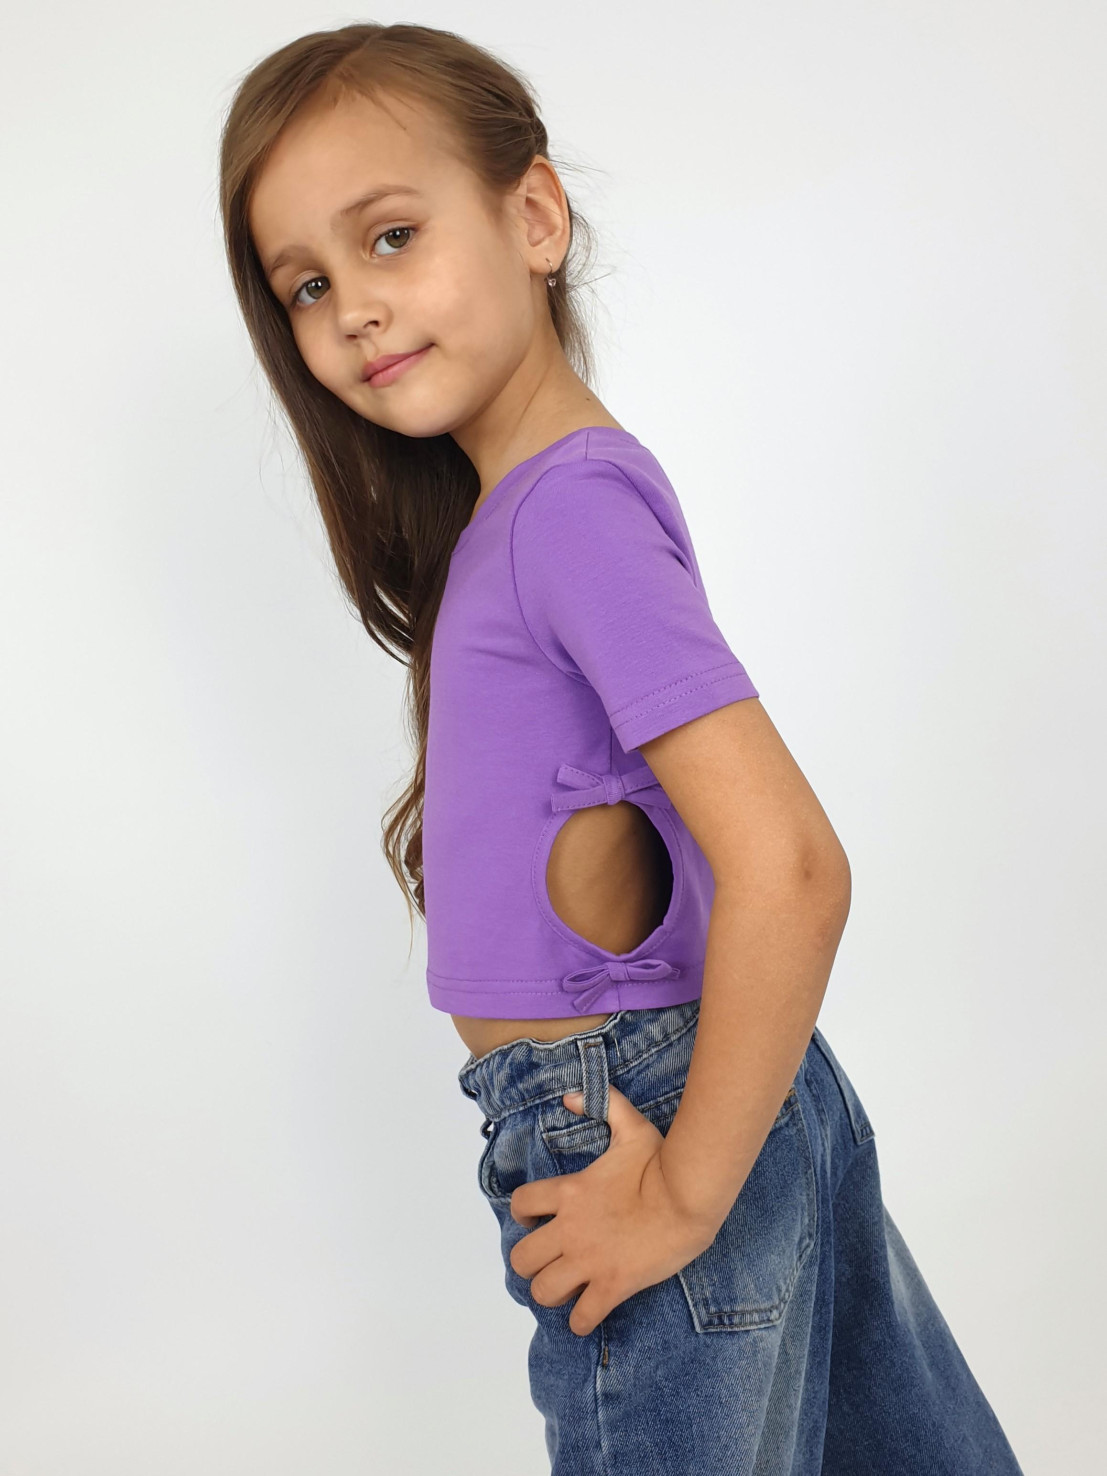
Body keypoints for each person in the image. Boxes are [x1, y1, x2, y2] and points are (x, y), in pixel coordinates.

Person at [218, 21, 1024, 1474]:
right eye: (310, 285)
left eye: (391, 236)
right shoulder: (533, 512)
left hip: (642, 1122)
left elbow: (791, 866)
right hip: (714, 1092)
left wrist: (683, 1196)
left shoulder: (567, 512)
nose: (354, 309)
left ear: (535, 217)